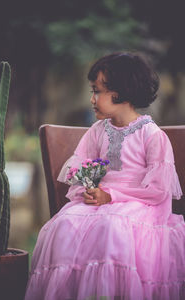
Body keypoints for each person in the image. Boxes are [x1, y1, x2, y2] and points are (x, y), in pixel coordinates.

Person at [25, 52, 185, 300]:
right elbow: (79, 168)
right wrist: (87, 190)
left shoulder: (151, 135)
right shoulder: (98, 131)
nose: (92, 99)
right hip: (99, 201)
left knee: (113, 227)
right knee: (65, 222)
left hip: (139, 204)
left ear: (123, 91)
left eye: (98, 91)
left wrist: (112, 196)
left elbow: (158, 191)